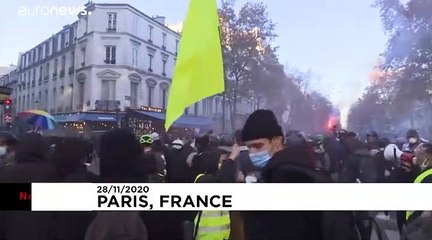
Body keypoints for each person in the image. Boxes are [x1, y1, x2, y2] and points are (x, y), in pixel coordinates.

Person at [240, 109, 335, 239]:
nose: (252, 153)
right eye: (248, 147)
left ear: (277, 140)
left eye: (258, 146)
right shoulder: (288, 169)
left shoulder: (287, 178)